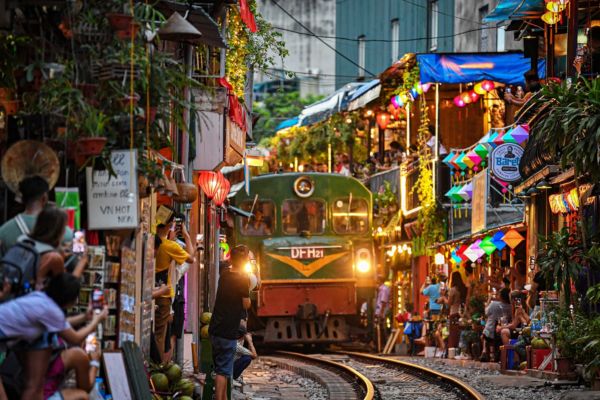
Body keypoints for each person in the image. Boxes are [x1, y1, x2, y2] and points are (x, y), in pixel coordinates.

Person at [0, 273, 107, 400]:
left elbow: (62, 324)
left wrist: (84, 317)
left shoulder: (40, 298)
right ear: (70, 301)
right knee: (79, 396)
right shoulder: (53, 315)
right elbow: (76, 338)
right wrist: (96, 320)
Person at [209, 245, 251, 400]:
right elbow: (246, 304)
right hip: (228, 330)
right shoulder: (243, 279)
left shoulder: (225, 274)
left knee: (222, 367)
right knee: (223, 371)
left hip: (215, 328)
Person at [154, 212, 195, 362]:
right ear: (170, 225)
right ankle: (157, 368)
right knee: (160, 335)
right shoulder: (169, 246)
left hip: (150, 291)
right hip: (163, 296)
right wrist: (187, 235)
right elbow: (191, 258)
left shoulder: (152, 241)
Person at [0, 176, 73, 256]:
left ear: (22, 199)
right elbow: (75, 257)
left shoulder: (3, 231)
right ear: (44, 198)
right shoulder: (61, 229)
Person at [22, 206, 87, 291]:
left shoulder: (23, 239)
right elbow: (67, 289)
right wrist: (82, 261)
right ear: (58, 231)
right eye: (64, 228)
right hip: (35, 302)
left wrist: (61, 252)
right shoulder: (53, 257)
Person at [480, 287, 512, 362]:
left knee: (484, 332)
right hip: (501, 330)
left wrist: (489, 299)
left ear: (501, 296)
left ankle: (484, 351)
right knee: (486, 331)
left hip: (489, 333)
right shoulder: (510, 307)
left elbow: (486, 312)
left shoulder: (494, 304)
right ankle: (492, 354)